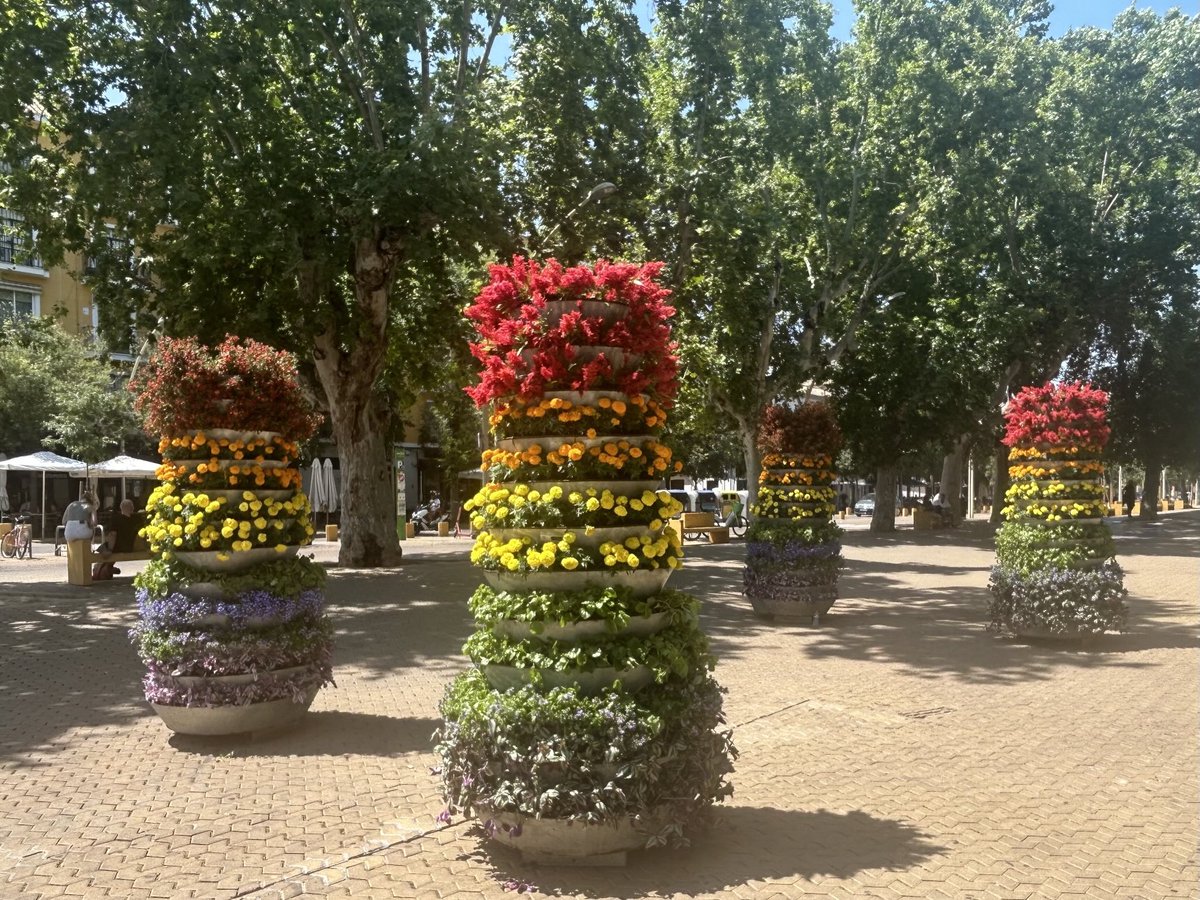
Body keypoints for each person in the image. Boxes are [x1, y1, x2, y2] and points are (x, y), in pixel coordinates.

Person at [93, 499, 143, 580]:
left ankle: (100, 570)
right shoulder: (137, 520)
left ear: (121, 508)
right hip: (131, 547)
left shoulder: (116, 519)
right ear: (132, 508)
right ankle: (107, 568)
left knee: (103, 549)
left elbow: (113, 535)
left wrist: (110, 549)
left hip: (119, 547)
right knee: (104, 548)